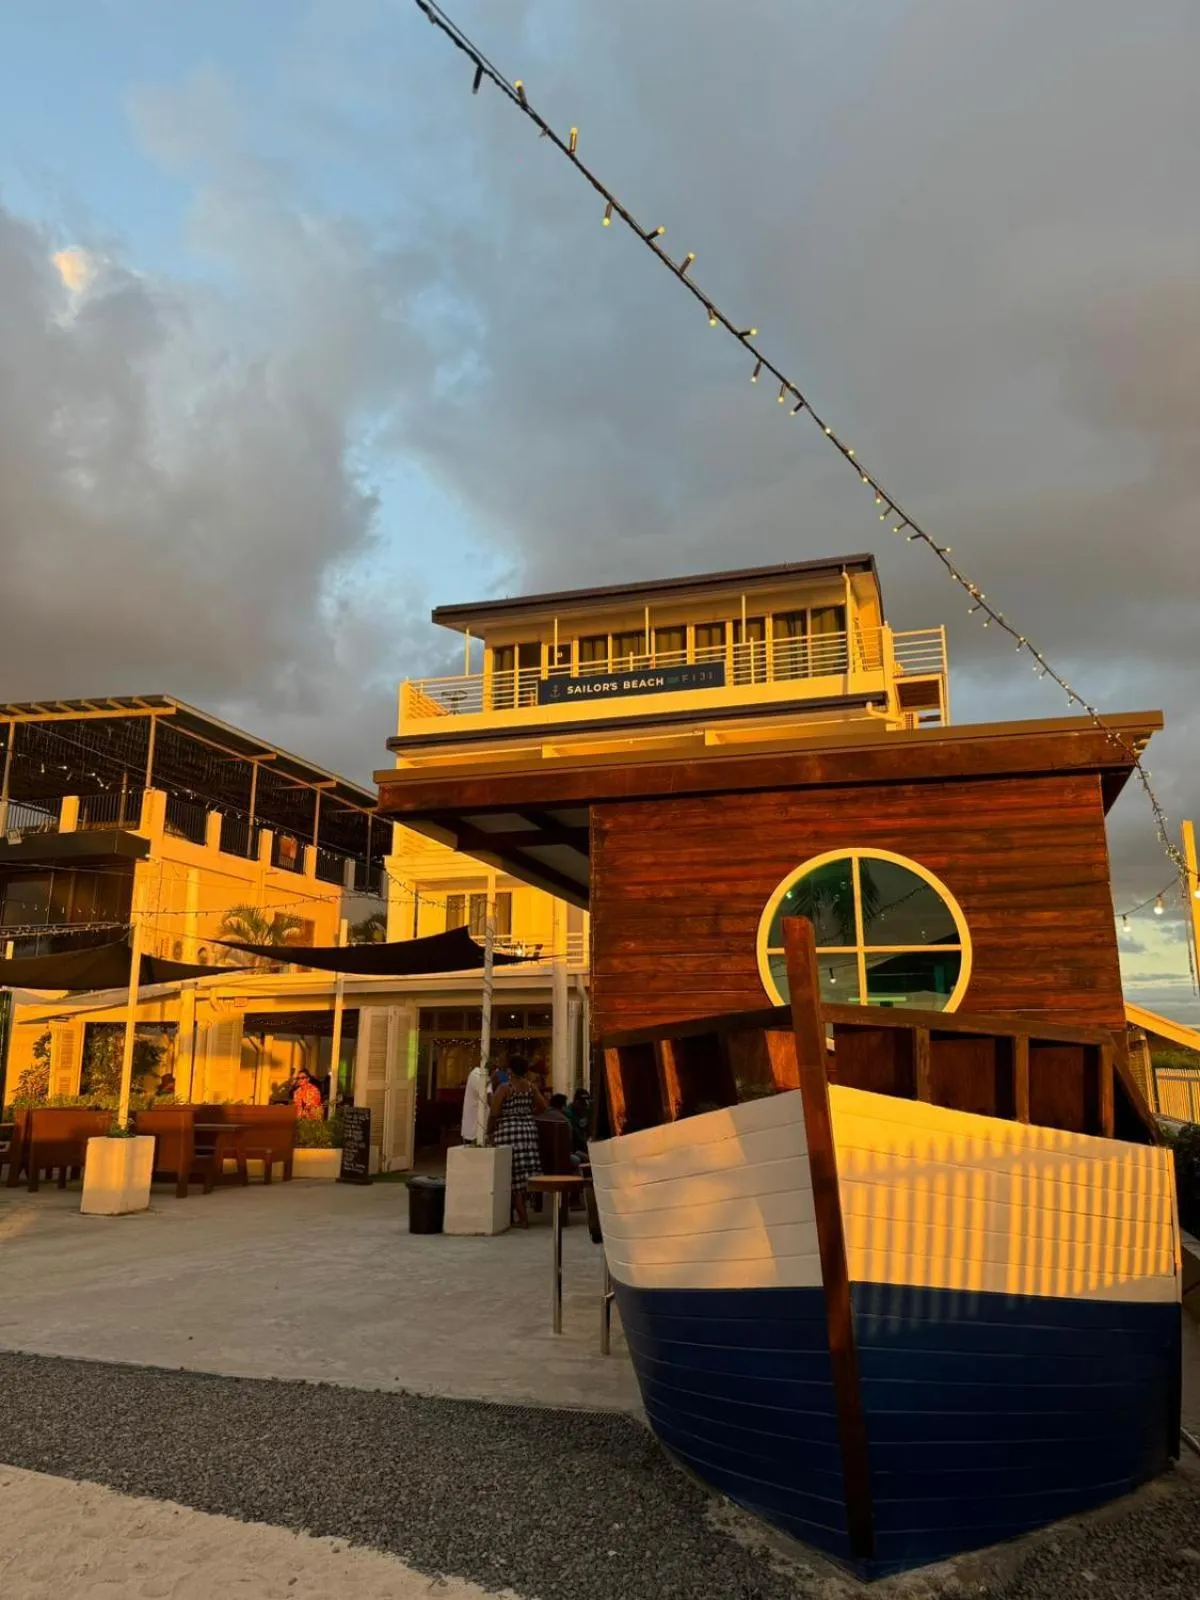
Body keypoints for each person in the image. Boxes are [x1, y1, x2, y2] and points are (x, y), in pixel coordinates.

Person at [486, 1053, 545, 1226]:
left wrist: (489, 1132)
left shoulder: (505, 1088)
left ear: (510, 1070)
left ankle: (522, 1217)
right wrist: (526, 1114)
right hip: (528, 1133)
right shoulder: (531, 1087)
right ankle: (519, 1215)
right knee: (522, 1176)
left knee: (511, 1176)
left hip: (508, 1133)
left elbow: (494, 1113)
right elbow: (543, 1107)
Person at [461, 1056, 490, 1146]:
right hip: (474, 1133)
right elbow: (489, 1097)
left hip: (483, 1131)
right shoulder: (477, 1074)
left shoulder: (486, 1076)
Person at [565, 1088, 591, 1155]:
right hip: (574, 1148)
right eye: (582, 1103)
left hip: (586, 1144)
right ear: (576, 1101)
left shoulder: (588, 1110)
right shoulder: (568, 1113)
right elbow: (574, 1135)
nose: (584, 1106)